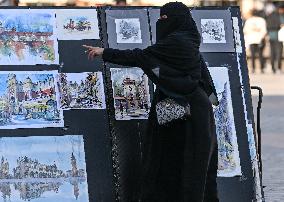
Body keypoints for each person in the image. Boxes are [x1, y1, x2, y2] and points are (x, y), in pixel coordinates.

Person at [83, 2, 219, 202]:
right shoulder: (187, 41)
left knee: (189, 164)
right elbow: (158, 66)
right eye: (161, 18)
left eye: (166, 19)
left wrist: (104, 52)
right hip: (182, 107)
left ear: (178, 20)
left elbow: (142, 57)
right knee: (169, 160)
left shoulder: (177, 43)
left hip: (190, 113)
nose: (161, 22)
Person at [243, 9, 267, 73]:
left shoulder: (249, 20)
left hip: (251, 39)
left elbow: (245, 30)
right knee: (260, 54)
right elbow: (264, 31)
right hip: (260, 39)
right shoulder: (262, 20)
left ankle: (253, 68)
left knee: (252, 55)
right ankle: (262, 68)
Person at [266, 3, 282, 73]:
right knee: (278, 52)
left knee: (272, 52)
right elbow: (279, 24)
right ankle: (278, 68)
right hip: (277, 36)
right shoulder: (279, 16)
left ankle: (273, 68)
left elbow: (267, 26)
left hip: (270, 36)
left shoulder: (268, 16)